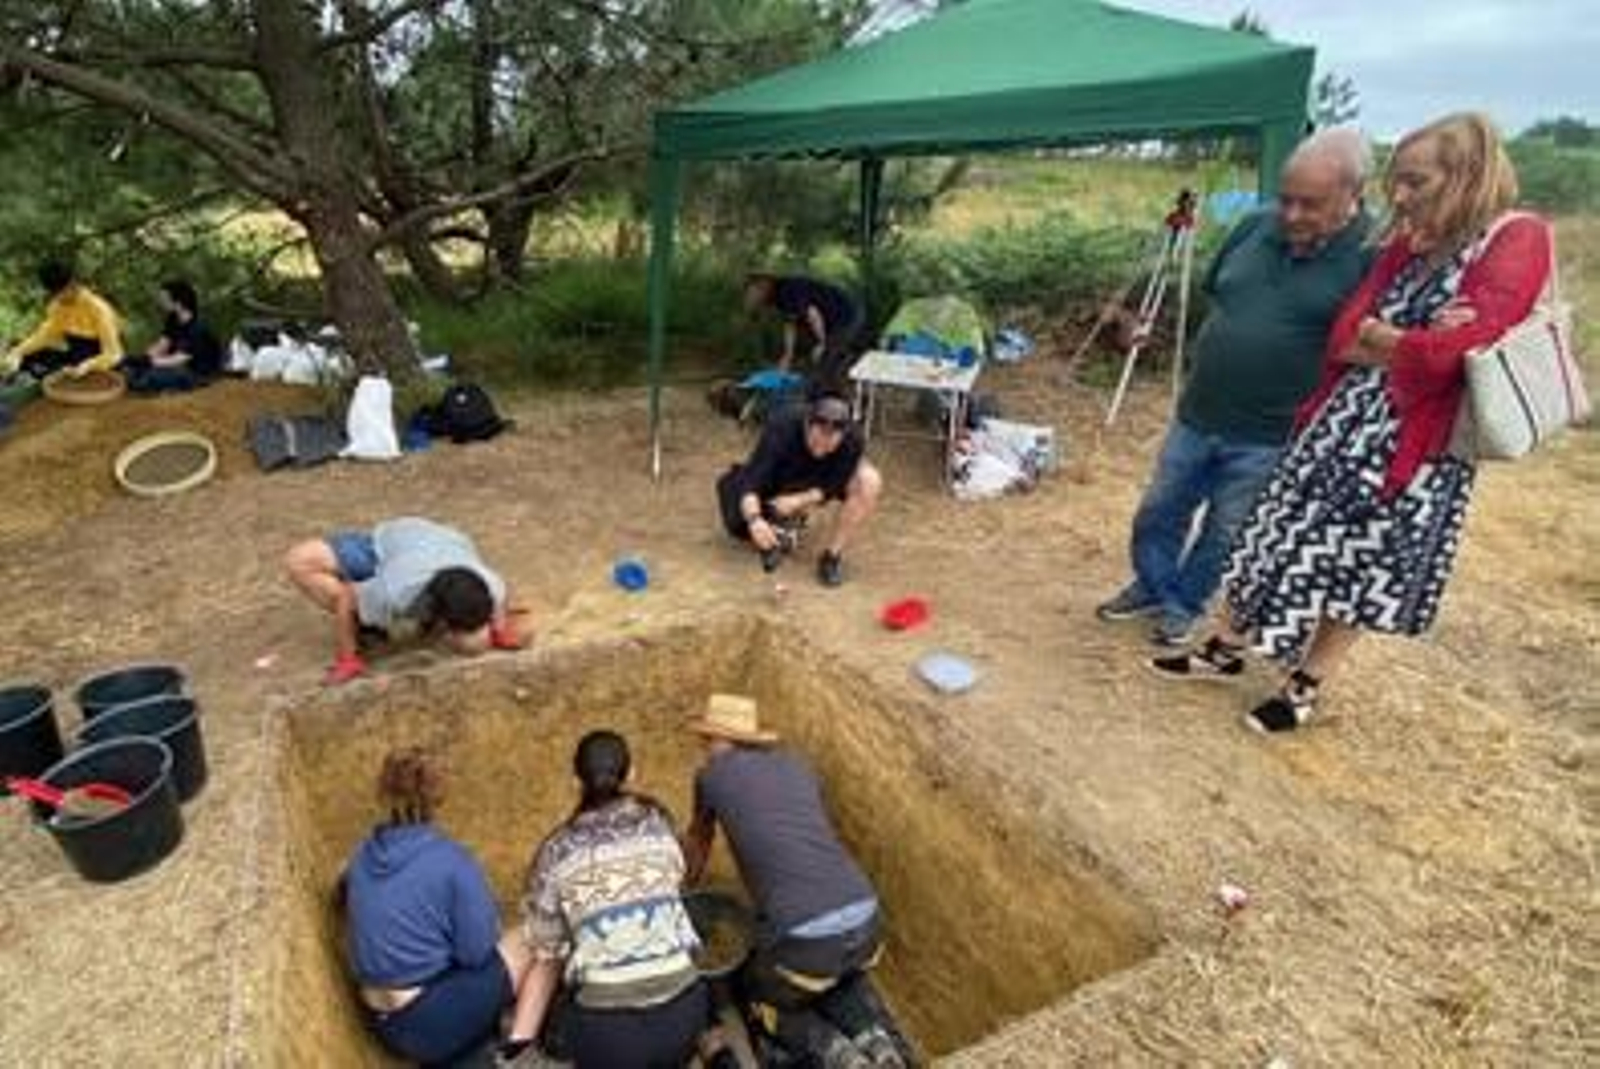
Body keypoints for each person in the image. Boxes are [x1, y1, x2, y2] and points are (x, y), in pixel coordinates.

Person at [1150, 112, 1554, 733]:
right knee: (1276, 534)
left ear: (1466, 174)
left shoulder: (1515, 238)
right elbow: (1344, 335)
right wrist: (1409, 339)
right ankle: (1224, 648)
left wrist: (1394, 341)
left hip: (1413, 453)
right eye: (1398, 180)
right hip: (1339, 424)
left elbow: (1461, 352)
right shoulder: (1405, 243)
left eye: (1415, 182)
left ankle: (1304, 685)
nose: (1400, 196)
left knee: (1360, 567)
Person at [1097, 128, 1374, 646]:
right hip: (1200, 409)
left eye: (1309, 205)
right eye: (1286, 199)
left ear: (1352, 194)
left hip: (1274, 431)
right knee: (1159, 508)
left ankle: (1184, 603)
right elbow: (1217, 293)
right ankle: (1154, 585)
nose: (1290, 215)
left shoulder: (1371, 252)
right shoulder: (1253, 225)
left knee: (1226, 530)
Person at [684, 695, 907, 1069]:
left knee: (760, 991)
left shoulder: (710, 776)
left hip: (805, 937)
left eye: (707, 739)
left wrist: (683, 891)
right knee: (835, 982)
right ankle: (878, 1042)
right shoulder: (796, 764)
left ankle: (838, 1054)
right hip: (866, 918)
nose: (704, 747)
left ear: (721, 740)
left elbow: (699, 842)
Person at [500, 730, 718, 1069]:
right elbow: (677, 880)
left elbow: (545, 950)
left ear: (577, 781)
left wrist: (519, 1040)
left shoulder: (557, 849)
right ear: (631, 774)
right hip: (686, 1019)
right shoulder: (659, 823)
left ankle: (517, 1053)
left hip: (608, 1038)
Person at [341, 748, 533, 1067]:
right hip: (430, 1019)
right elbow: (476, 953)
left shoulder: (360, 856)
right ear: (438, 796)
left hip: (384, 1023)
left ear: (383, 793)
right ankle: (520, 1047)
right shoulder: (452, 860)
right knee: (533, 937)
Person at [284, 516, 526, 686]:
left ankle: (371, 615)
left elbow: (501, 596)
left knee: (472, 644)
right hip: (388, 544)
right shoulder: (395, 591)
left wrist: (500, 630)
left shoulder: (491, 585)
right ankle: (365, 624)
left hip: (441, 539)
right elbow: (346, 596)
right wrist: (348, 657)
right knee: (298, 561)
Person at [715, 392, 883, 587]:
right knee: (737, 523)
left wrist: (801, 500)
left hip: (821, 478)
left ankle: (831, 557)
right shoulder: (781, 426)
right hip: (784, 473)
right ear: (807, 424)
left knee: (870, 480)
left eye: (829, 444)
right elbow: (753, 480)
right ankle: (782, 526)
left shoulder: (853, 438)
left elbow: (835, 484)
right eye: (816, 440)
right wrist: (754, 520)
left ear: (843, 434)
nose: (821, 448)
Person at [2, 260, 124, 380]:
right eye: (55, 294)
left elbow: (114, 354)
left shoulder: (99, 308)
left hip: (101, 363)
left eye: (62, 292)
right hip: (75, 359)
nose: (59, 299)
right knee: (29, 356)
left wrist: (86, 366)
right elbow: (44, 336)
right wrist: (17, 352)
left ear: (73, 284)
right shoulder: (56, 306)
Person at [745, 272, 864, 389]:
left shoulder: (789, 290)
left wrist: (821, 343)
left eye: (754, 290)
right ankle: (827, 383)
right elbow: (790, 325)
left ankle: (829, 395)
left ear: (765, 284)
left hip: (846, 314)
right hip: (831, 319)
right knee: (816, 357)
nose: (752, 295)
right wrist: (787, 355)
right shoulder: (777, 297)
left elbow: (813, 314)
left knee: (825, 360)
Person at [123, 279, 224, 393]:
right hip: (178, 365)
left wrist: (150, 362)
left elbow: (179, 359)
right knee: (131, 369)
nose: (161, 301)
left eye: (165, 299)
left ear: (178, 302)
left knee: (150, 378)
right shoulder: (173, 319)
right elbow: (163, 343)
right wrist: (142, 358)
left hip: (197, 372)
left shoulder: (198, 328)